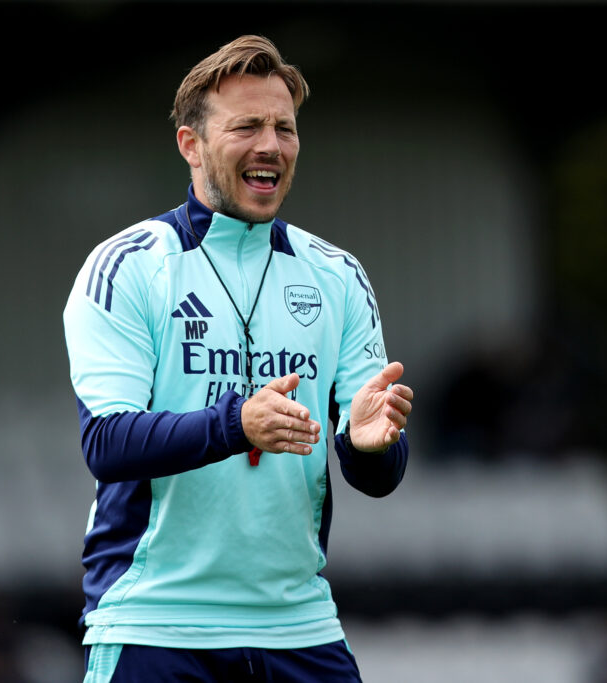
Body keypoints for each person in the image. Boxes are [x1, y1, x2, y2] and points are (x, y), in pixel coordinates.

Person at [63, 35, 414, 682]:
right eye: (247, 126)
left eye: (285, 128)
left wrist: (369, 445)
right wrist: (237, 424)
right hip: (155, 624)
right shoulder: (129, 267)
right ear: (191, 145)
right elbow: (107, 442)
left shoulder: (337, 275)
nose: (271, 145)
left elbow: (376, 475)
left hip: (300, 627)